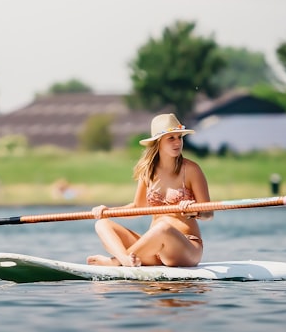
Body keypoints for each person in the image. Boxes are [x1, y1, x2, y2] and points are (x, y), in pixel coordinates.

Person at [87, 113, 213, 267]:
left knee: (163, 228)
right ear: (158, 142)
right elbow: (137, 208)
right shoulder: (148, 172)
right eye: (171, 138)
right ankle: (125, 260)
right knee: (102, 224)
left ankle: (117, 262)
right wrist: (108, 211)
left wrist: (193, 210)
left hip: (186, 248)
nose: (177, 143)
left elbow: (209, 213)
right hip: (155, 251)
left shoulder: (192, 169)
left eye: (179, 137)